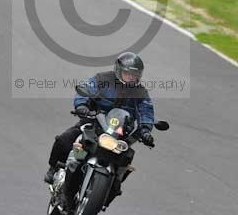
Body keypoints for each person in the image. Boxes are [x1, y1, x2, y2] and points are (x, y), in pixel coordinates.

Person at [44, 51, 155, 192]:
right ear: (119, 70)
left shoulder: (140, 92)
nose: (131, 78)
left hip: (120, 132)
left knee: (126, 159)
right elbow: (86, 88)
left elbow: (146, 110)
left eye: (135, 75)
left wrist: (145, 130)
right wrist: (82, 106)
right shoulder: (102, 79)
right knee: (65, 139)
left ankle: (113, 184)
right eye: (128, 73)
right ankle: (54, 167)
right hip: (94, 121)